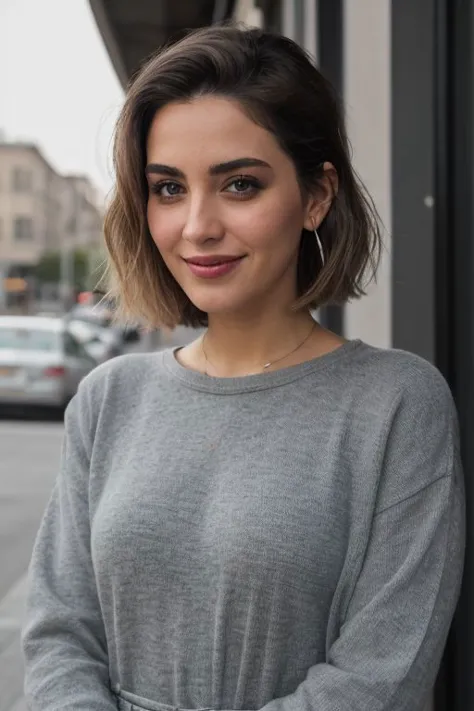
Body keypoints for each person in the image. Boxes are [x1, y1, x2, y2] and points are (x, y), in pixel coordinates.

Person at [22, 25, 465, 711]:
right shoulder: (111, 397)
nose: (197, 225)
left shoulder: (396, 403)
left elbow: (381, 676)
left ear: (316, 196)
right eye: (168, 188)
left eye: (240, 184)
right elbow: (58, 634)